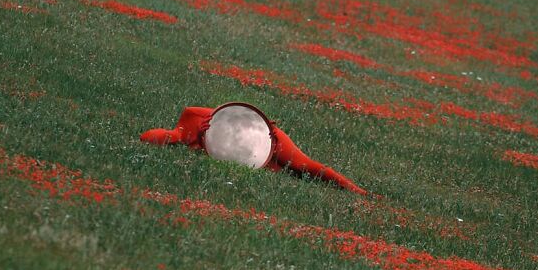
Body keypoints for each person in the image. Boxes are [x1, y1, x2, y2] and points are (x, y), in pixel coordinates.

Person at [140, 106, 367, 196]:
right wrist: (184, 136)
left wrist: (268, 130)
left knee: (303, 165)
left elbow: (240, 119)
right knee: (286, 171)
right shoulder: (187, 129)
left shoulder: (196, 119)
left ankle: (358, 192)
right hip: (251, 150)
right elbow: (146, 138)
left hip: (266, 136)